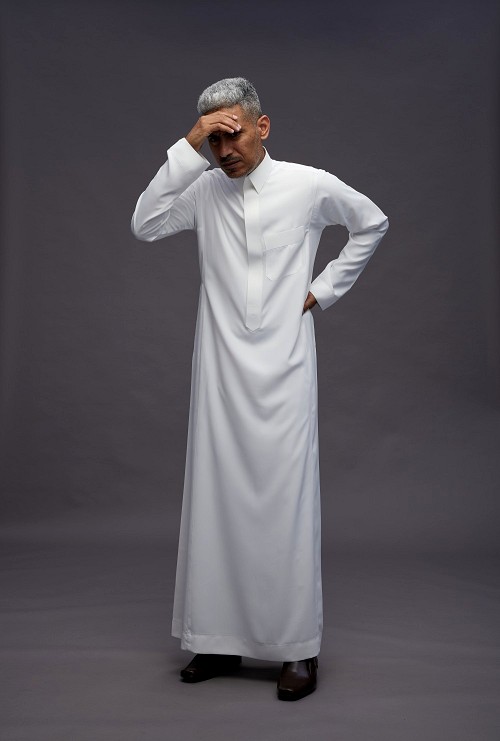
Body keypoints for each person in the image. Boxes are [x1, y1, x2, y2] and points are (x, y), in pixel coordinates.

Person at [130, 77, 389, 701]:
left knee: (285, 505)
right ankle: (216, 639)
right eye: (214, 140)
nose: (225, 151)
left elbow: (372, 223)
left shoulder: (308, 184)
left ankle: (297, 648)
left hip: (285, 369)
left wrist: (321, 291)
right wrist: (189, 145)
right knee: (215, 502)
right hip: (220, 373)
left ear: (262, 126)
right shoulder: (203, 190)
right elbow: (145, 224)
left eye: (233, 135)